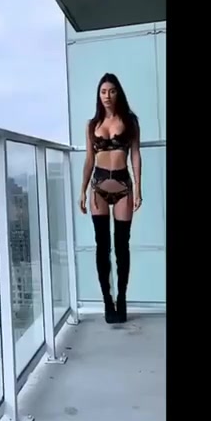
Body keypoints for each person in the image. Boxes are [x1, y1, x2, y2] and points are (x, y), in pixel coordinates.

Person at [78, 72, 142, 324]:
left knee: (122, 246)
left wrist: (138, 189)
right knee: (102, 246)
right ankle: (107, 301)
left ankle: (122, 299)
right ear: (99, 95)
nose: (107, 96)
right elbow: (89, 160)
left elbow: (135, 155)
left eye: (112, 91)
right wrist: (82, 190)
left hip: (124, 187)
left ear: (118, 93)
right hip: (98, 188)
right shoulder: (91, 124)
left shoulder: (130, 121)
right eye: (103, 91)